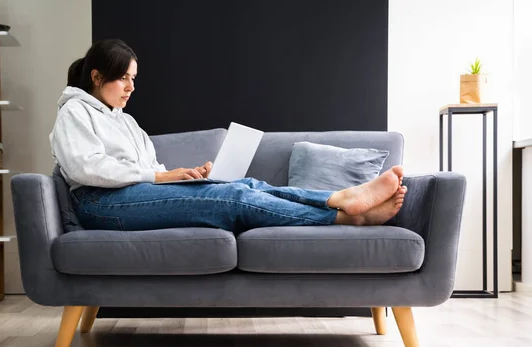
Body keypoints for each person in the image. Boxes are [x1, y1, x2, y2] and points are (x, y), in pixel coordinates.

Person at [49, 39, 407, 235]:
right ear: (97, 77)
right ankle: (347, 216)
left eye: (134, 78)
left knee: (245, 184)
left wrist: (183, 175)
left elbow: (149, 168)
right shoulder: (74, 112)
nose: (131, 87)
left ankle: (337, 197)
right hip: (100, 205)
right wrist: (159, 176)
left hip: (131, 196)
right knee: (233, 198)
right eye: (123, 78)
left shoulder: (124, 120)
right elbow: (86, 168)